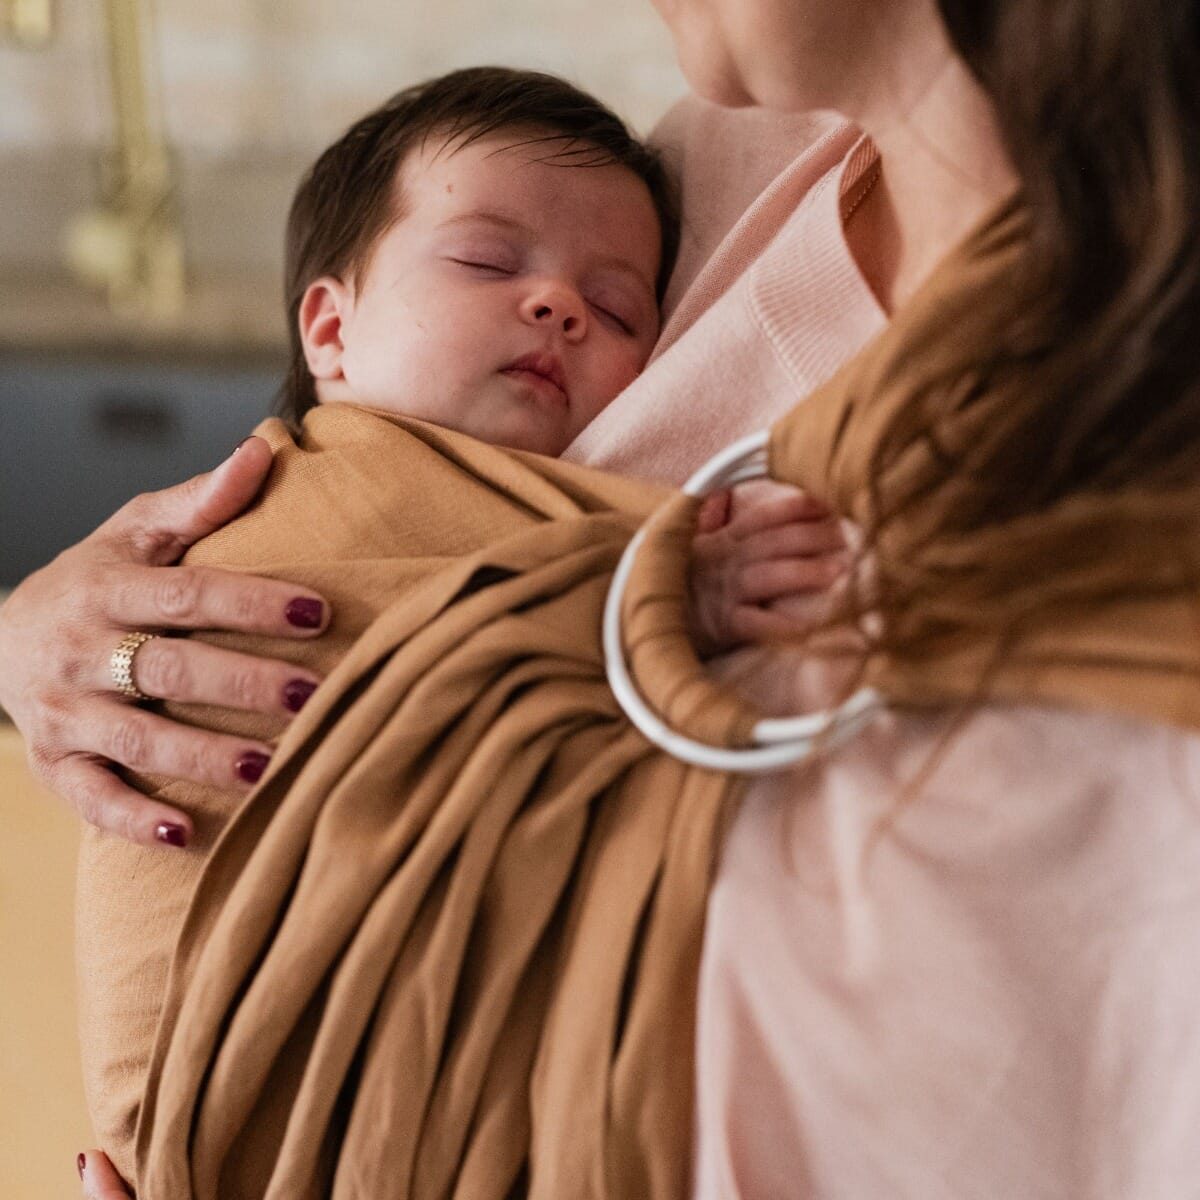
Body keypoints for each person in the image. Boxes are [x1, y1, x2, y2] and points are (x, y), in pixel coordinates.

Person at [0, 0, 1191, 1193]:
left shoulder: (1096, 434)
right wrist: (39, 638)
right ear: (327, 327)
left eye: (621, 309)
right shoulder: (731, 139)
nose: (564, 305)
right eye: (486, 262)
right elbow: (364, 559)